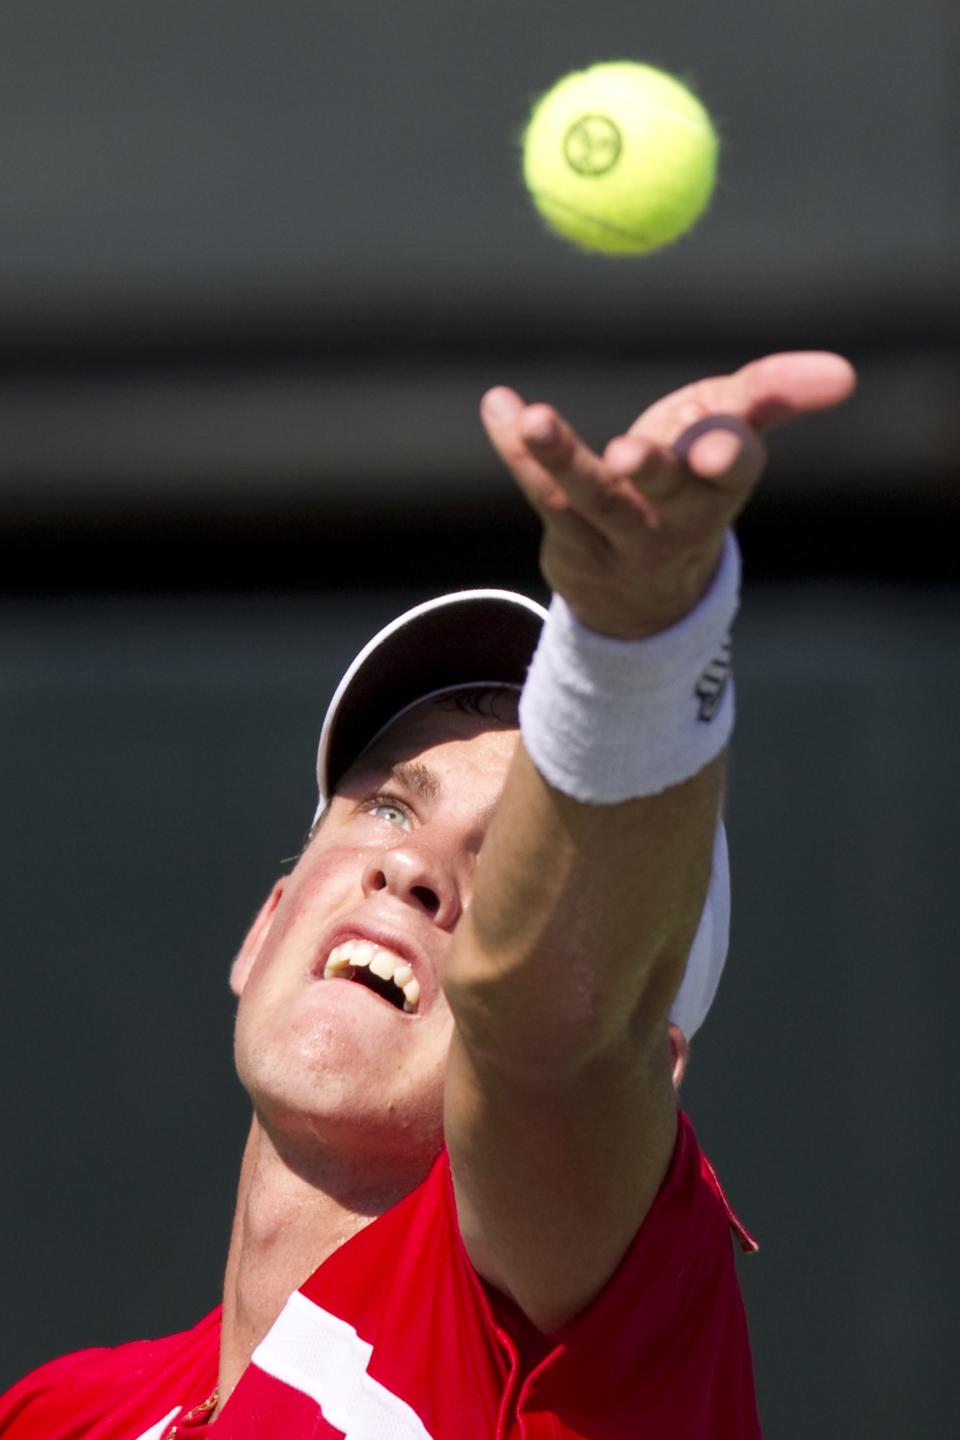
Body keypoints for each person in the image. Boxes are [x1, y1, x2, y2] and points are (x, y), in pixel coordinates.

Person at [0, 352, 856, 1439]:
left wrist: (639, 646)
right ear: (265, 927)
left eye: (505, 872)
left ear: (649, 1076)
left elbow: (551, 1035)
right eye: (389, 808)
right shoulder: (55, 1412)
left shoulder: (600, 1336)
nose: (412, 871)